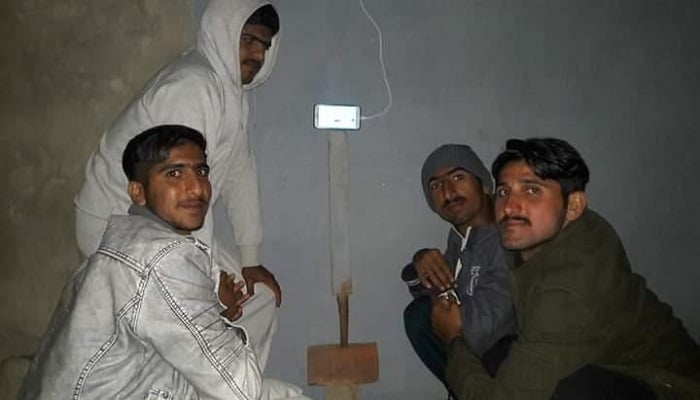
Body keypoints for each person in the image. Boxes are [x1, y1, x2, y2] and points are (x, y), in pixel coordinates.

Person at [74, 0, 281, 368]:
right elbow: (176, 193)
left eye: (264, 44)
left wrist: (249, 261)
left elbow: (239, 175)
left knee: (257, 299)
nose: (256, 53)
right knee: (188, 322)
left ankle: (226, 390)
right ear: (222, 33)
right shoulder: (193, 87)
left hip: (169, 231)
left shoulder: (233, 96)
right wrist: (207, 279)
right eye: (247, 39)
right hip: (118, 227)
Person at [432, 137, 700, 399]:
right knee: (499, 353)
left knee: (563, 390)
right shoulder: (546, 232)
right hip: (606, 362)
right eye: (504, 191)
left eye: (532, 190)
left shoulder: (569, 289)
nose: (509, 206)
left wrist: (454, 340)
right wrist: (425, 258)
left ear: (573, 205)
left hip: (666, 385)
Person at [20, 125, 262, 399]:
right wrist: (223, 315)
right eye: (174, 174)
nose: (197, 188)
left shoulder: (119, 250)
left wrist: (214, 307)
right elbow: (241, 389)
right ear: (138, 192)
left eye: (201, 171)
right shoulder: (163, 259)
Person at [402, 144, 517, 387]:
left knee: (419, 316)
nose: (448, 190)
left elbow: (477, 333)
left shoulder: (510, 238)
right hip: (476, 372)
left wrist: (438, 304)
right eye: (436, 185)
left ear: (485, 184)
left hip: (514, 377)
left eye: (458, 176)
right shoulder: (459, 242)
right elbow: (433, 294)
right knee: (418, 316)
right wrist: (421, 260)